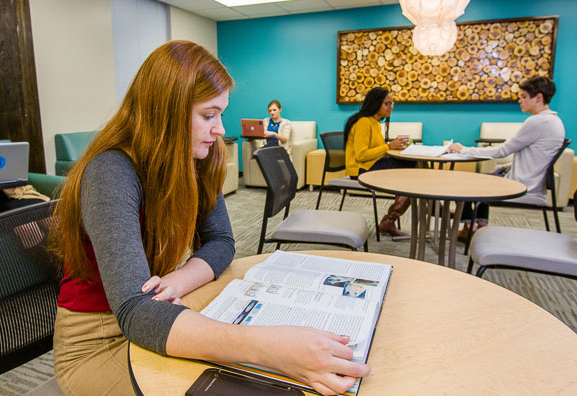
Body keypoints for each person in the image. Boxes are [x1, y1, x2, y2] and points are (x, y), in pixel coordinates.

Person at [49, 40, 370, 396]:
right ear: (165, 112)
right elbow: (134, 312)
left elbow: (221, 241)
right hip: (97, 343)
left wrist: (178, 280)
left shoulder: (196, 159)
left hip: (155, 313)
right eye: (208, 115)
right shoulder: (111, 171)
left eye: (221, 113)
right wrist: (272, 348)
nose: (220, 129)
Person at [448, 76, 565, 238]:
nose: (520, 101)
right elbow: (535, 158)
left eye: (523, 97)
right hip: (532, 182)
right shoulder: (555, 121)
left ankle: (470, 227)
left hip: (523, 187)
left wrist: (463, 150)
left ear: (539, 97)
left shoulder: (538, 122)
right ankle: (479, 225)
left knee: (465, 185)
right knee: (480, 179)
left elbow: (502, 151)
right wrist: (503, 168)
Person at [344, 87, 415, 239]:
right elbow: (361, 155)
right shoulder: (363, 122)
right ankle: (390, 221)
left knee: (414, 169)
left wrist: (391, 145)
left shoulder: (375, 123)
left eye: (392, 103)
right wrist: (388, 146)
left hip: (372, 165)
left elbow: (375, 149)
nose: (391, 107)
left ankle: (391, 220)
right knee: (414, 173)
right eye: (387, 104)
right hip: (362, 170)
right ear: (376, 103)